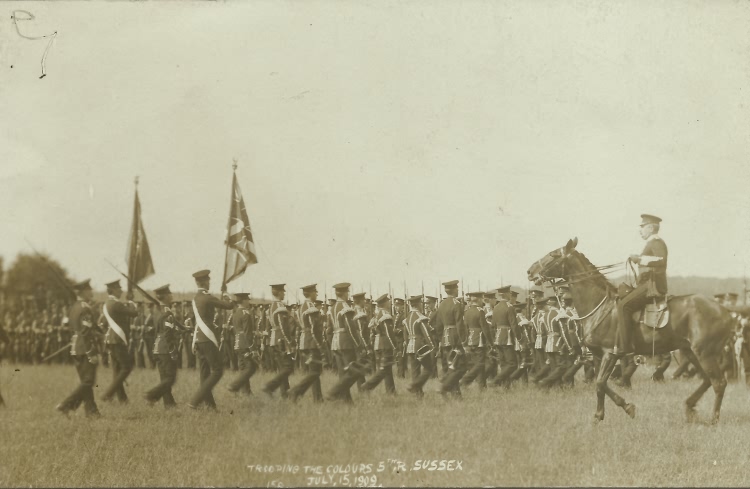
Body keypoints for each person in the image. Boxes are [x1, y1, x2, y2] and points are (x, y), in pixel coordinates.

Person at [617, 214, 668, 354]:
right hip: (647, 285)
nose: (640, 230)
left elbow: (661, 260)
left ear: (651, 228)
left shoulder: (656, 242)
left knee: (623, 306)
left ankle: (625, 348)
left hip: (652, 287)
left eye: (643, 227)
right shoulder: (651, 243)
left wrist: (639, 259)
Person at [187, 270, 234, 410]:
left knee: (204, 372)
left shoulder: (196, 298)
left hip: (199, 338)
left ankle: (210, 405)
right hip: (207, 337)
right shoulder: (207, 297)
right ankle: (195, 401)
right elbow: (229, 306)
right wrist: (226, 295)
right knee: (217, 370)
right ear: (204, 282)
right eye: (208, 281)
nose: (209, 283)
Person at [56, 279, 101, 418]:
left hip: (75, 347)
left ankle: (91, 411)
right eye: (89, 290)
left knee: (85, 381)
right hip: (84, 348)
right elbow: (86, 332)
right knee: (88, 382)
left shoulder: (73, 307)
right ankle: (66, 405)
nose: (92, 292)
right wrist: (91, 352)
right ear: (83, 292)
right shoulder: (85, 308)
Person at [100, 279, 139, 404]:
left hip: (111, 339)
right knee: (126, 367)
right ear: (113, 290)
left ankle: (122, 399)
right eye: (119, 288)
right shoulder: (116, 304)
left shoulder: (108, 303)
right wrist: (132, 301)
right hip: (117, 339)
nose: (121, 290)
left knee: (117, 370)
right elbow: (134, 313)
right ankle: (107, 394)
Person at [145, 284, 182, 408]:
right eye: (169, 293)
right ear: (165, 297)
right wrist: (172, 350)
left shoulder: (156, 311)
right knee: (171, 378)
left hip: (157, 347)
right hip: (165, 348)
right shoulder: (167, 313)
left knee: (164, 377)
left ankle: (169, 403)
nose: (171, 295)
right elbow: (168, 334)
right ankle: (151, 395)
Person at [289, 285, 325, 403]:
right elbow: (315, 328)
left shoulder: (300, 308)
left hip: (304, 341)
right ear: (310, 293)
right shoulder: (310, 307)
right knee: (315, 371)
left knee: (314, 371)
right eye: (315, 292)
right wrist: (320, 344)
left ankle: (318, 398)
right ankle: (296, 391)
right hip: (312, 341)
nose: (317, 294)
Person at [261, 284, 296, 399]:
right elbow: (283, 327)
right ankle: (270, 386)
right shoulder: (280, 307)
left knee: (282, 369)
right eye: (283, 292)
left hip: (274, 340)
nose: (284, 293)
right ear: (279, 293)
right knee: (288, 368)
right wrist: (289, 342)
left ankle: (285, 395)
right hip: (281, 340)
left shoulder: (271, 307)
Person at [359, 293, 396, 395]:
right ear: (385, 303)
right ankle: (367, 386)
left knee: (387, 368)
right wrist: (395, 346)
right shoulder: (385, 315)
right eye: (388, 301)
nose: (389, 303)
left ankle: (391, 391)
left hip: (378, 344)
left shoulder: (376, 315)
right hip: (385, 343)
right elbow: (389, 333)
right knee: (384, 369)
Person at [436, 280, 467, 399]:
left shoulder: (442, 304)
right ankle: (444, 386)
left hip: (445, 338)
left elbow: (438, 325)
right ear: (454, 290)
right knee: (461, 367)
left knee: (452, 366)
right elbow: (460, 324)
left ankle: (456, 396)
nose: (458, 290)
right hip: (455, 338)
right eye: (457, 288)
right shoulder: (457, 304)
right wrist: (464, 341)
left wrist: (440, 339)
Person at [227, 293, 259, 395]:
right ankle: (234, 385)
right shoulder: (246, 314)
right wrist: (253, 349)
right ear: (243, 301)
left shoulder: (235, 313)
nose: (249, 302)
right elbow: (247, 333)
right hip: (244, 344)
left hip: (237, 343)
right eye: (247, 300)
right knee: (251, 367)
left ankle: (246, 392)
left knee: (243, 368)